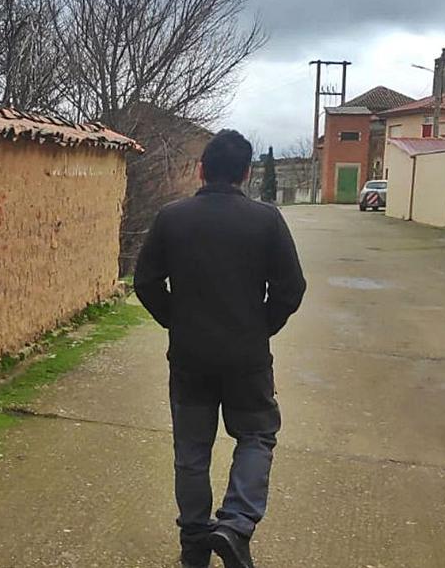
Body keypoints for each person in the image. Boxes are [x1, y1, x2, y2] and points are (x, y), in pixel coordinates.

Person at [134, 129, 307, 568]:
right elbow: (291, 288)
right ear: (247, 173)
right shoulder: (266, 220)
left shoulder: (171, 218)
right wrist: (260, 326)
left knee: (191, 451)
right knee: (256, 436)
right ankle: (234, 524)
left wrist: (178, 320)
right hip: (246, 359)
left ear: (200, 170)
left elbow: (145, 283)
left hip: (190, 357)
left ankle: (194, 545)